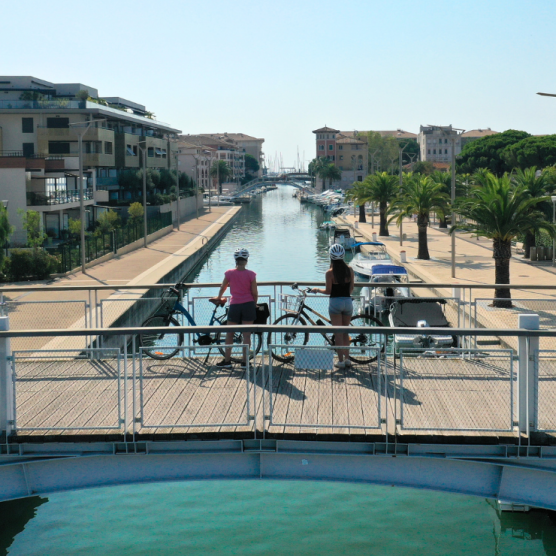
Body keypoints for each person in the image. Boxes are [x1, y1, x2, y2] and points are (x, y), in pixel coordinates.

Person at [210, 247, 258, 368]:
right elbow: (254, 292)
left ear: (235, 260)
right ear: (246, 260)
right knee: (246, 335)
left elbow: (223, 287)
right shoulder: (251, 274)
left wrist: (219, 297)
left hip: (234, 305)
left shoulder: (229, 273)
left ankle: (227, 361)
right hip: (248, 305)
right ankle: (245, 362)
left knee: (229, 333)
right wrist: (254, 303)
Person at [311, 243, 355, 368]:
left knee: (338, 333)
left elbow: (328, 291)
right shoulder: (350, 270)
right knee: (345, 332)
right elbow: (351, 288)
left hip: (335, 303)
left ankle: (340, 361)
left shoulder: (329, 273)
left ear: (331, 257)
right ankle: (348, 359)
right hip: (348, 302)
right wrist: (346, 296)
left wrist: (317, 290)